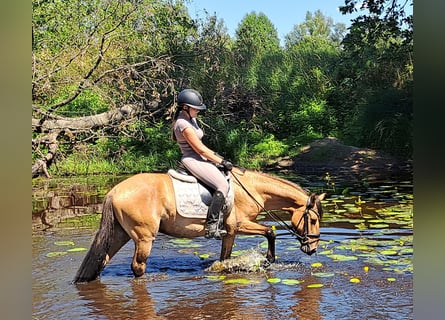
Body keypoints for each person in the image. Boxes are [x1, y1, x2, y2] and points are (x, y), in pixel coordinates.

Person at [172, 88, 233, 239]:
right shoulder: (182, 124)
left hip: (200, 158)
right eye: (196, 108)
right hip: (192, 159)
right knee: (223, 186)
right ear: (185, 107)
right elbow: (200, 149)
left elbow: (202, 147)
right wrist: (222, 161)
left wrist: (216, 157)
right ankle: (212, 226)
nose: (198, 111)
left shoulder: (190, 118)